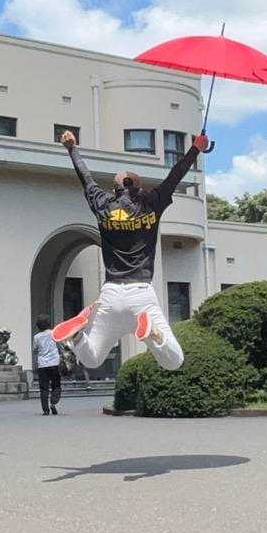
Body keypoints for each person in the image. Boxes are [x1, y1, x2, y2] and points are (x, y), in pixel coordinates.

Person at [53, 130, 210, 371]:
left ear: (113, 189)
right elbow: (175, 175)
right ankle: (152, 334)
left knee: (91, 359)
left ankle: (76, 337)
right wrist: (196, 148)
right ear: (139, 188)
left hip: (111, 295)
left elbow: (86, 178)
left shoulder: (102, 204)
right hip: (141, 295)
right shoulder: (151, 203)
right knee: (174, 361)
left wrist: (71, 148)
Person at [32, 313, 61, 415]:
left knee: (44, 388)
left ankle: (45, 410)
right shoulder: (53, 333)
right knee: (56, 385)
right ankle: (53, 402)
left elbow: (34, 350)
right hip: (54, 363)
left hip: (43, 364)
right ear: (49, 323)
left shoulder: (36, 337)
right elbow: (60, 342)